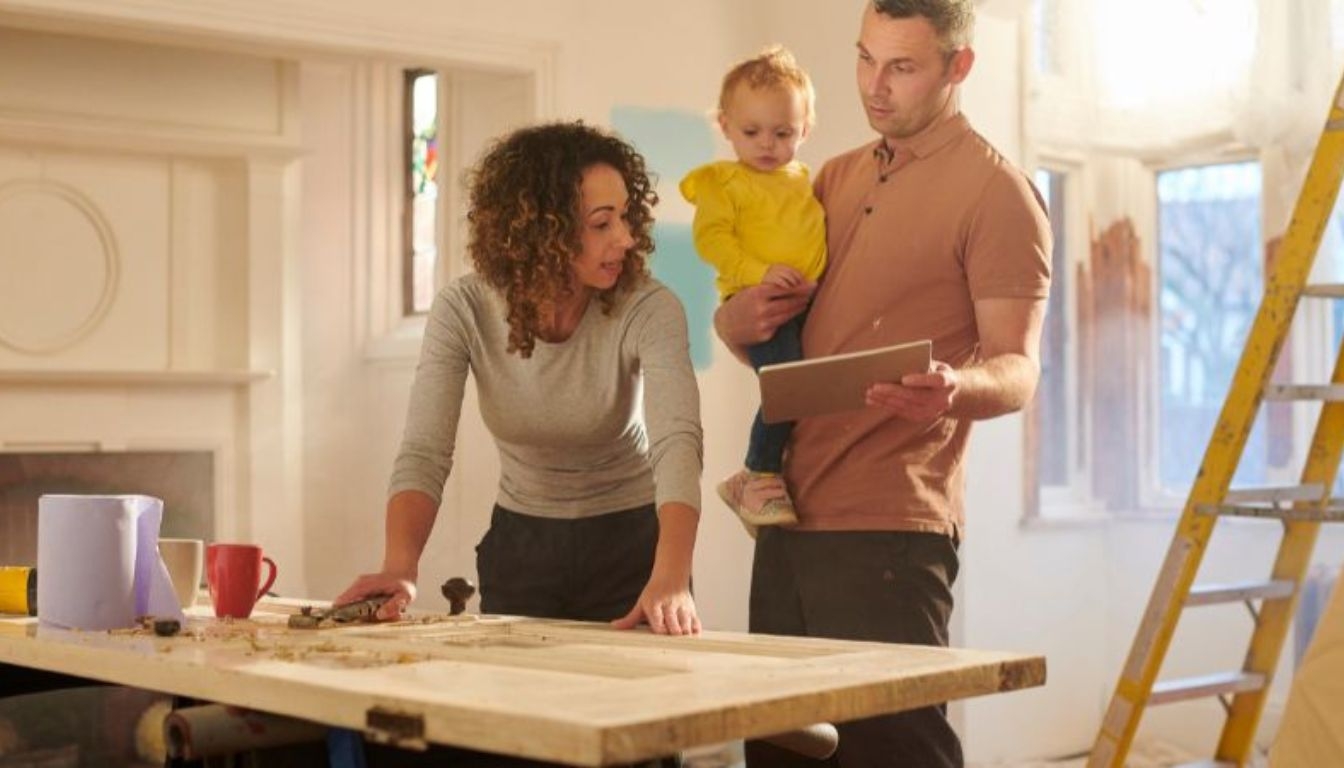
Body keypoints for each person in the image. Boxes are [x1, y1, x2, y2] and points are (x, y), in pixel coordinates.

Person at [714, 1, 1052, 766]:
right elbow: (789, 352)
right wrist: (734, 325)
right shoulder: (830, 176)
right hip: (784, 515)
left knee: (894, 753)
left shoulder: (999, 195)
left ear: (958, 67)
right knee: (777, 750)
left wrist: (955, 388)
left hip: (892, 528)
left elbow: (1019, 367)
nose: (874, 85)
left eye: (902, 66)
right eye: (865, 58)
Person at [337, 121, 704, 642]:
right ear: (542, 232)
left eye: (624, 217)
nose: (624, 238)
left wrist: (671, 577)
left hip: (634, 543)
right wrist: (400, 564)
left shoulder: (649, 306)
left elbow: (676, 442)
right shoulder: (463, 308)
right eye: (602, 223)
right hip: (522, 545)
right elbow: (425, 450)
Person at [679, 45, 826, 534]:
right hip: (757, 301)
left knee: (807, 390)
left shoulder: (804, 178)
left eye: (783, 133)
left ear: (805, 129)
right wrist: (758, 272)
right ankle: (758, 473)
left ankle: (761, 475)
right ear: (724, 126)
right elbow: (711, 240)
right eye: (751, 131)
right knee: (789, 387)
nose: (767, 144)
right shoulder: (724, 182)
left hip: (804, 303)